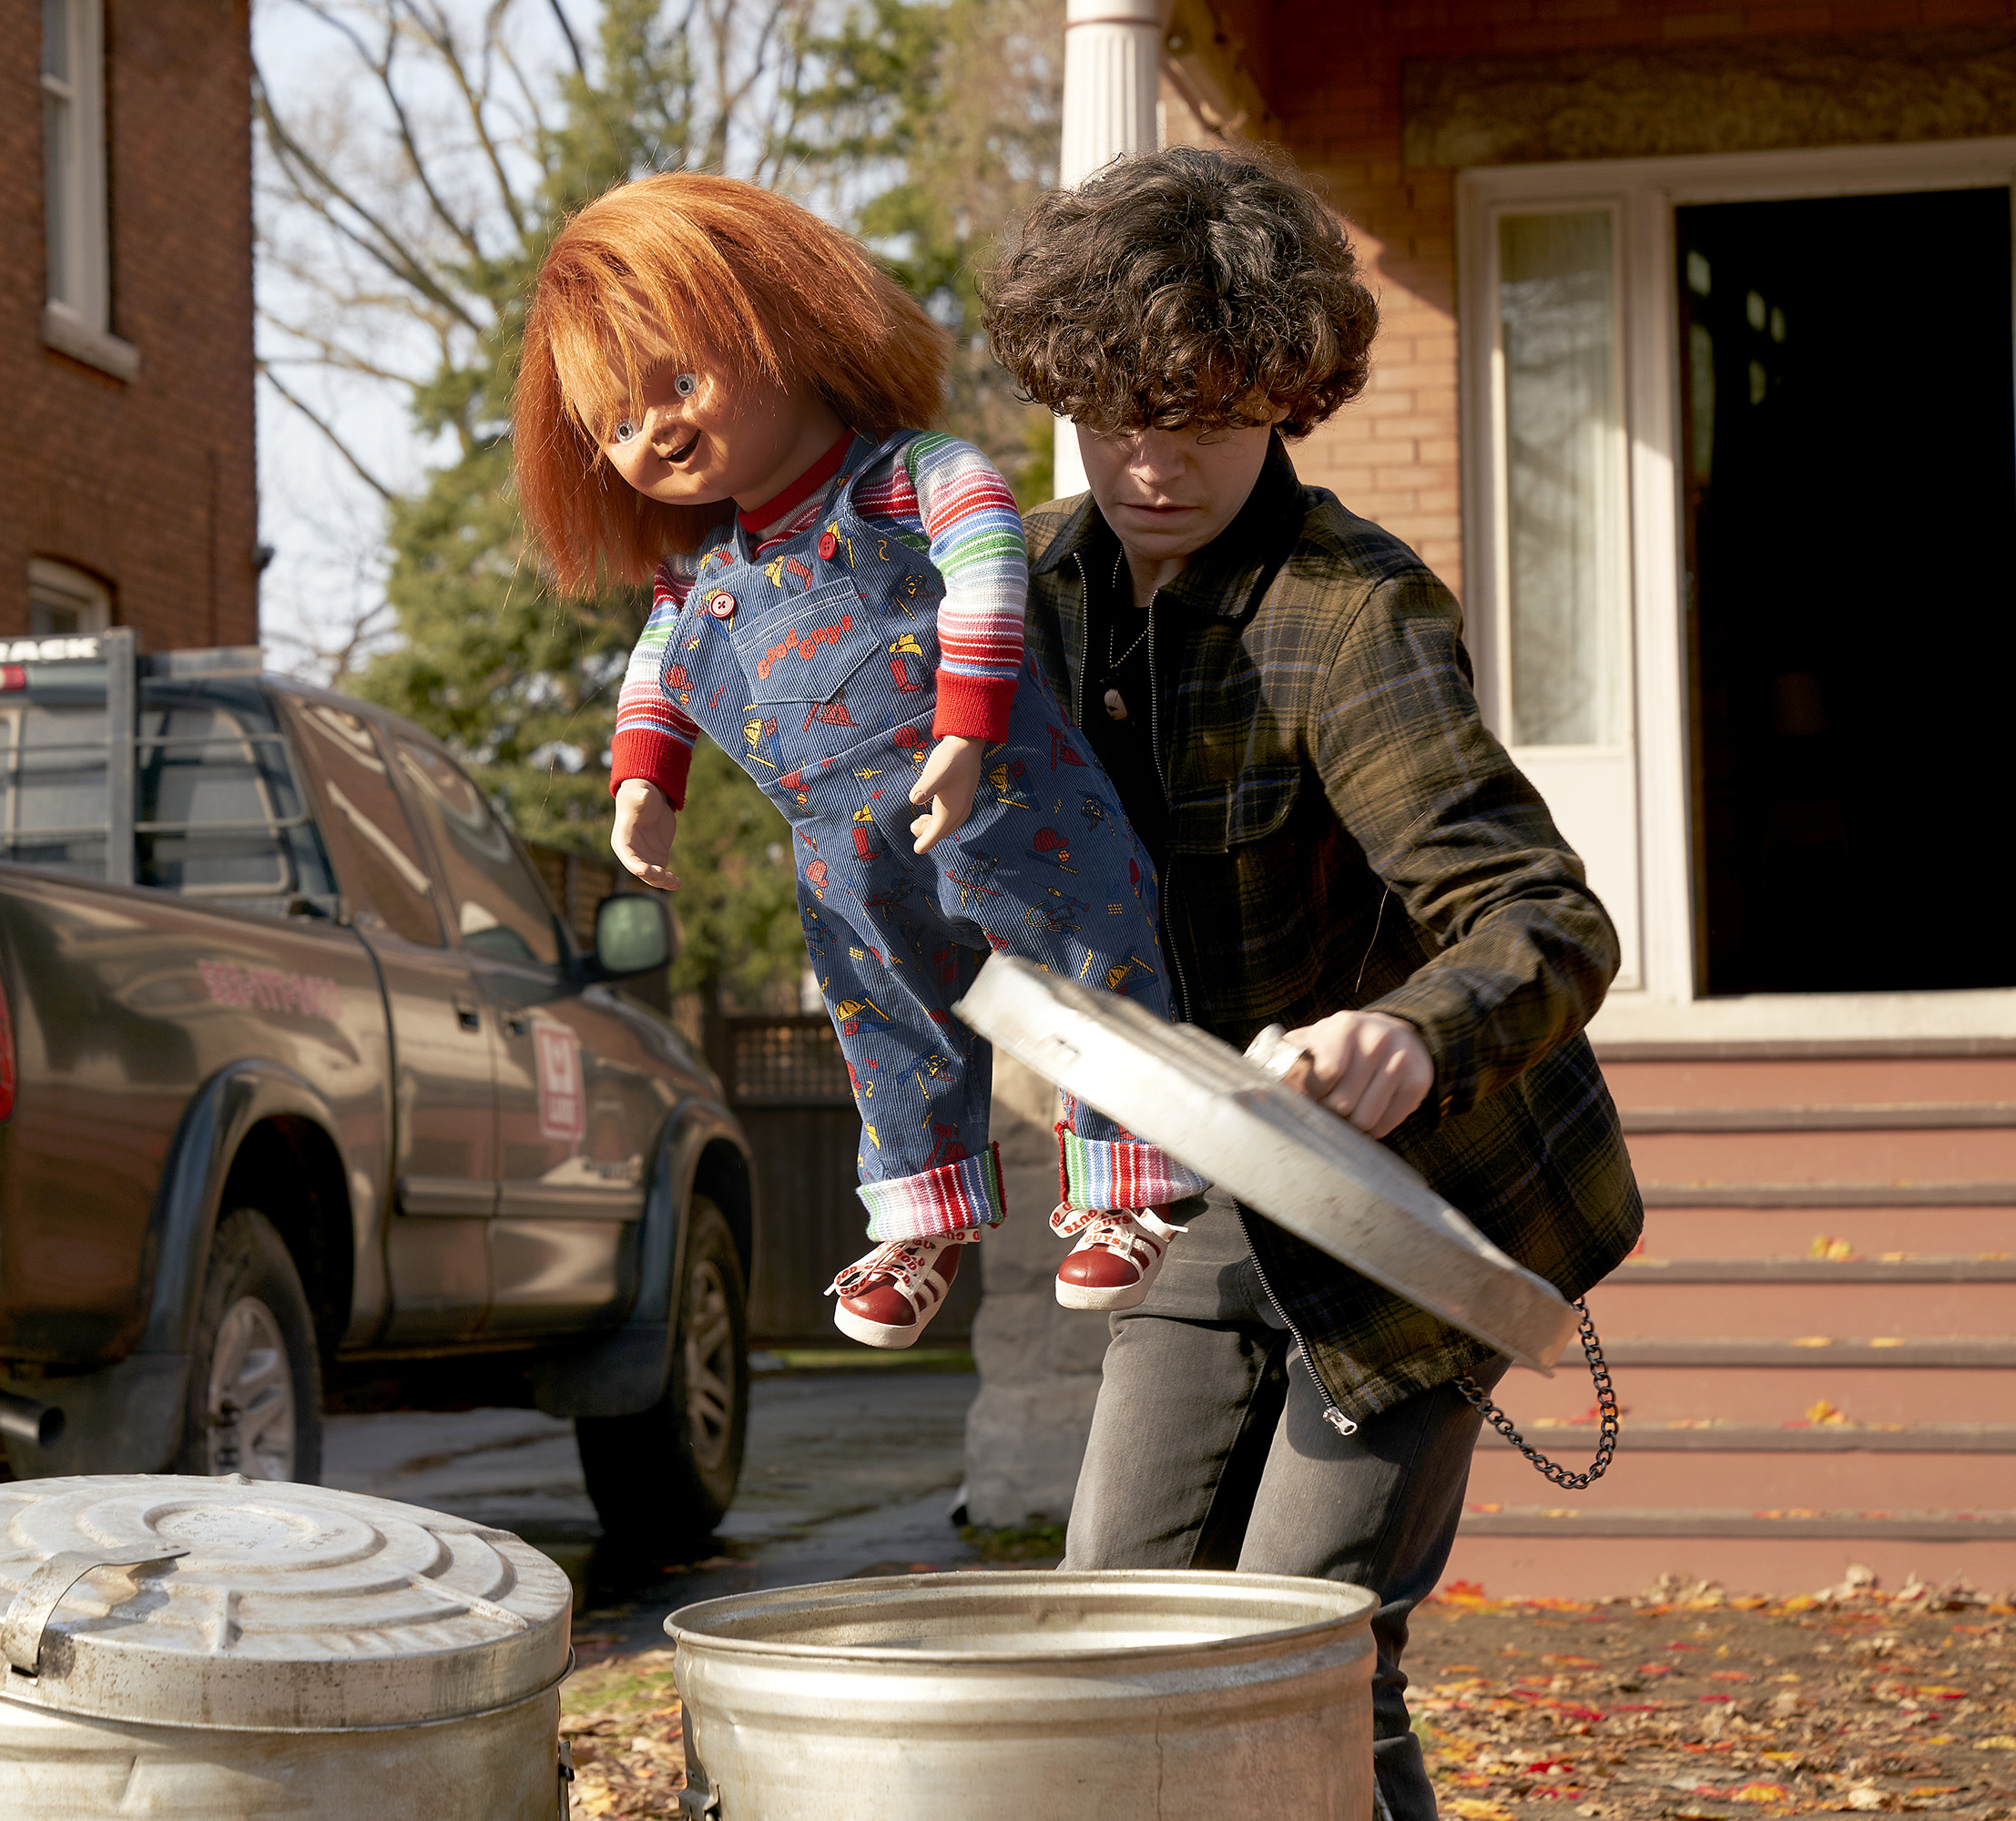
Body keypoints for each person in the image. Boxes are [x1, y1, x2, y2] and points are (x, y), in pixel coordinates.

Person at [978, 144, 1644, 1821]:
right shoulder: (1030, 589)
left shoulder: (1351, 615)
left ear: (1285, 386)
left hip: (1431, 1197)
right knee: (1115, 1621)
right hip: (1214, 1175)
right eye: (1112, 414)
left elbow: (1547, 920)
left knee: (1308, 1656)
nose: (1148, 463)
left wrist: (1406, 1035)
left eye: (1198, 413)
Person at [514, 171, 1207, 1349]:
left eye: (680, 382)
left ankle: (1132, 1182)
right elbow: (658, 665)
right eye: (619, 424)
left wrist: (964, 725)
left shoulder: (895, 477)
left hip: (996, 786)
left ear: (786, 321)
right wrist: (643, 782)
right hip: (838, 840)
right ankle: (921, 1218)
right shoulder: (702, 569)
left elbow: (985, 539)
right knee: (878, 1008)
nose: (659, 430)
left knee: (1083, 946)